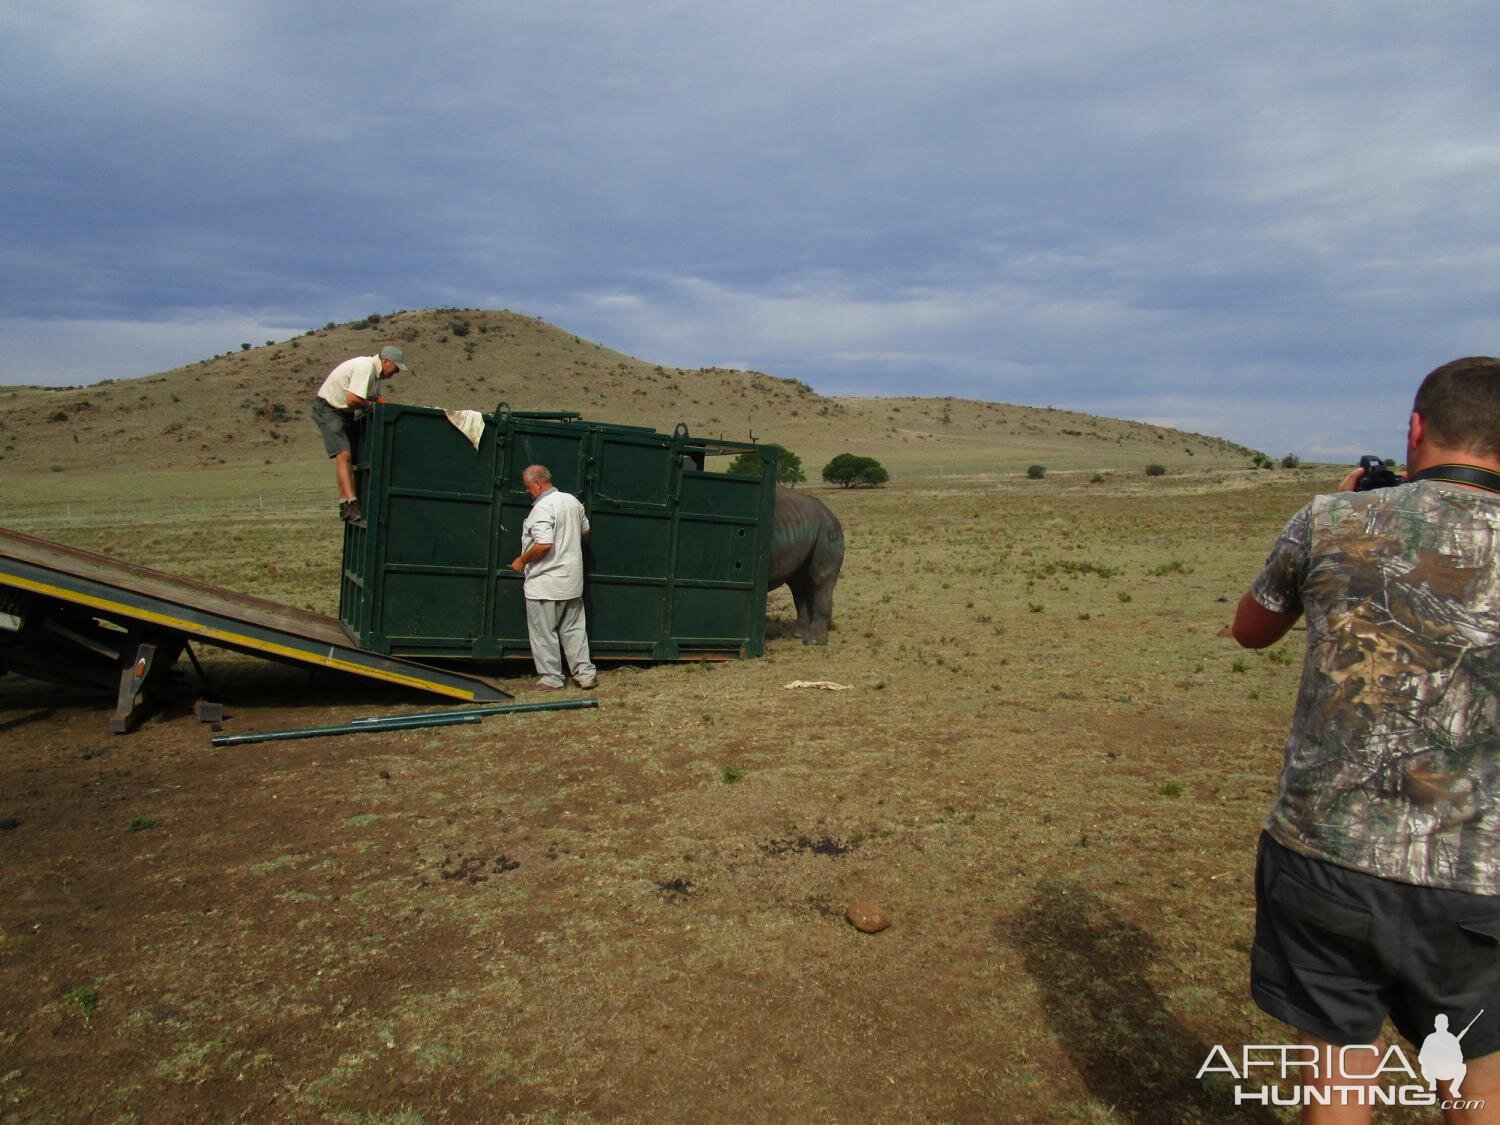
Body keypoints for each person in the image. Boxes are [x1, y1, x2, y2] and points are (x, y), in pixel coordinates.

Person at [1233, 356, 1500, 1123]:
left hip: (1327, 855)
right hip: (1480, 876)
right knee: (1476, 1085)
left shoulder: (1329, 520)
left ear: (1416, 428)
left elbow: (1252, 631)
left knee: (1338, 1081)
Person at [510, 464, 596, 691]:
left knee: (543, 633)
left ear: (538, 483)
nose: (527, 490)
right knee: (574, 630)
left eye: (528, 486)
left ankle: (552, 678)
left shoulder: (541, 508)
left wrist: (522, 560)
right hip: (572, 580)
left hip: (545, 583)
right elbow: (585, 529)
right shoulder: (572, 501)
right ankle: (585, 675)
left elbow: (544, 544)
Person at [311, 345, 409, 523]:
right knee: (344, 454)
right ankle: (352, 503)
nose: (396, 373)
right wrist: (371, 406)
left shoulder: (375, 377)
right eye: (396, 368)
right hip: (329, 408)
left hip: (343, 412)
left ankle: (344, 504)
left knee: (350, 457)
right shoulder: (366, 367)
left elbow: (370, 399)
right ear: (386, 361)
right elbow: (353, 399)